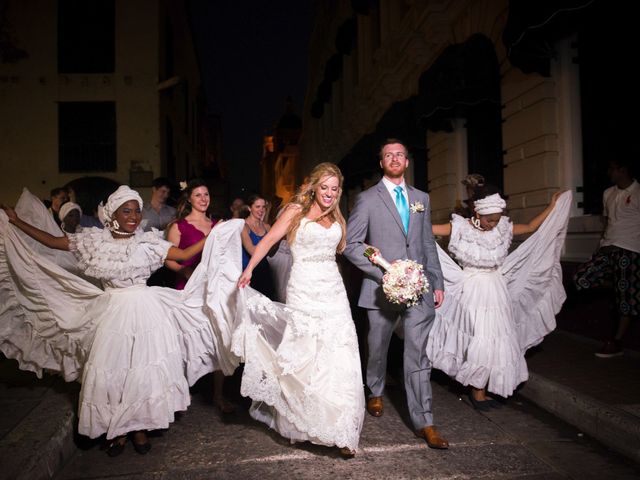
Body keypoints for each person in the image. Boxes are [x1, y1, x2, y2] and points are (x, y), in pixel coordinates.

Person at [0, 185, 216, 457]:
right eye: (127, 211)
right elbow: (52, 242)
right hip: (113, 313)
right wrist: (17, 222)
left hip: (148, 313)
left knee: (142, 371)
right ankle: (120, 430)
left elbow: (184, 256)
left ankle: (139, 427)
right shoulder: (93, 241)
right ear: (112, 213)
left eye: (137, 211)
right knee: (114, 372)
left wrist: (214, 236)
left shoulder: (147, 243)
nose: (134, 216)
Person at [236, 162, 364, 457]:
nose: (330, 194)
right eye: (325, 188)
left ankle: (342, 429)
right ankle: (308, 423)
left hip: (333, 289)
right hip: (303, 288)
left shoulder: (337, 216)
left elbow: (345, 251)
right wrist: (250, 270)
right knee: (306, 353)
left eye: (335, 189)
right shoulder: (295, 210)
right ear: (315, 187)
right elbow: (268, 239)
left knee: (340, 352)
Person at [342, 138, 449, 450]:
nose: (394, 158)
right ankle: (375, 390)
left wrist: (437, 281)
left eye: (400, 154)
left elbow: (427, 243)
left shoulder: (421, 199)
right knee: (377, 347)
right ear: (381, 162)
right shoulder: (367, 199)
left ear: (407, 161)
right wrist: (387, 273)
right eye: (388, 154)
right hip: (381, 290)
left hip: (419, 289)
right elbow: (352, 245)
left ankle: (424, 421)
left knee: (417, 354)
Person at [427, 186, 571, 410]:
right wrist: (406, 216)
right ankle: (478, 391)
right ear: (477, 214)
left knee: (497, 337)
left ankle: (484, 388)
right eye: (489, 220)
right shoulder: (460, 228)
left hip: (497, 288)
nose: (493, 224)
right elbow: (424, 229)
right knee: (479, 336)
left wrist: (552, 207)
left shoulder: (502, 227)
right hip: (472, 289)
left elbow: (532, 227)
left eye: (496, 219)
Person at [165, 179, 235, 413]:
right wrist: (184, 270)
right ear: (189, 199)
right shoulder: (179, 226)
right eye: (198, 195)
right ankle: (180, 394)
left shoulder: (217, 224)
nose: (204, 199)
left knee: (218, 339)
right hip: (187, 288)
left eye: (206, 194)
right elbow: (167, 258)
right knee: (187, 341)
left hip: (213, 290)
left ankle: (217, 396)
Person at [574, 158, 639, 357]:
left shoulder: (638, 192)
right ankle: (622, 287)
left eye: (612, 168)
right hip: (606, 249)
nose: (609, 172)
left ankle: (617, 341)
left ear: (623, 169)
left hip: (630, 249)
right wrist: (599, 247)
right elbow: (607, 222)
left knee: (626, 300)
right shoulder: (608, 193)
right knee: (581, 279)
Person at [241, 194, 275, 299]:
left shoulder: (267, 227)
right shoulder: (243, 226)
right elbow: (252, 251)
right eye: (257, 206)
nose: (261, 210)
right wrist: (269, 242)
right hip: (249, 273)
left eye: (263, 207)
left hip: (265, 271)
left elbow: (272, 253)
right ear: (249, 208)